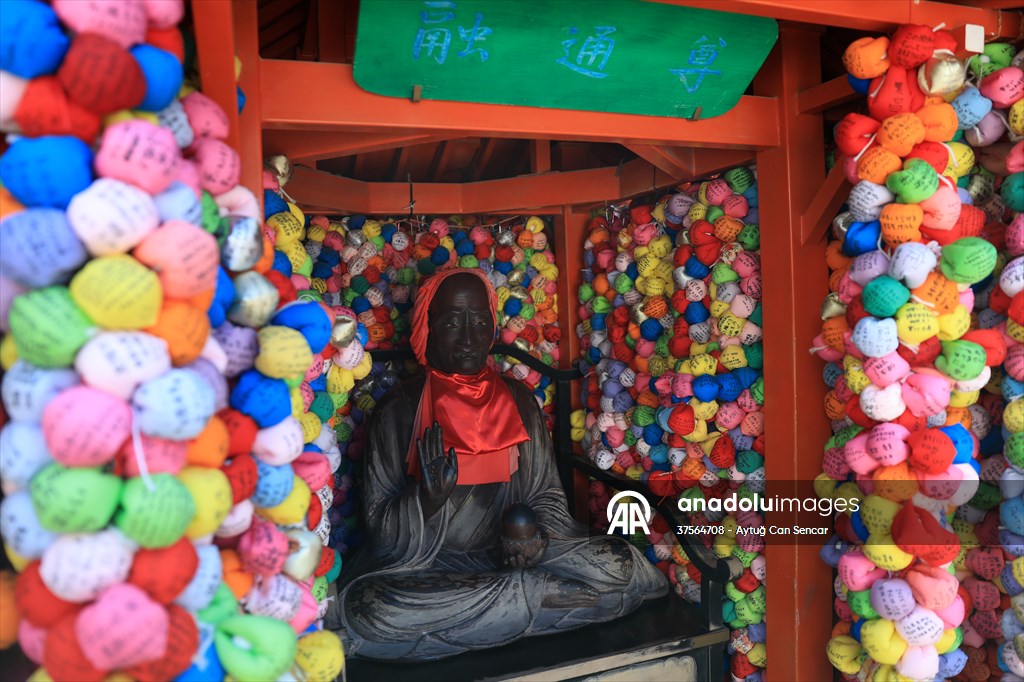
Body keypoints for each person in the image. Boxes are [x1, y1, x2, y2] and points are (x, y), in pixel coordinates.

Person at [328, 268, 667, 661]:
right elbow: (383, 537)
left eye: (479, 321)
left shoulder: (519, 400)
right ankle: (530, 595)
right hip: (433, 568)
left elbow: (546, 495)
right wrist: (424, 500)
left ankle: (518, 599)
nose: (470, 338)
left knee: (619, 563)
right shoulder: (398, 411)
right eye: (453, 323)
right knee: (371, 608)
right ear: (427, 328)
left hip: (518, 558)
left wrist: (533, 539)